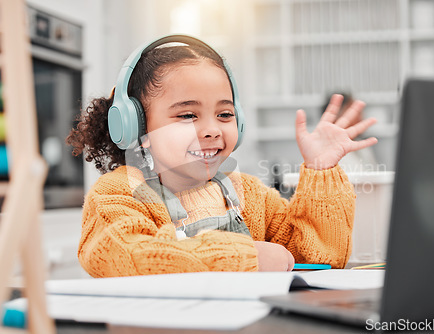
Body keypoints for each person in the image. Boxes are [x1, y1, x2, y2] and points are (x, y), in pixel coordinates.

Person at [66, 35, 377, 277]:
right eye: (188, 115)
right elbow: (133, 257)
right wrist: (244, 256)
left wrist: (321, 170)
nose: (212, 129)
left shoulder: (251, 196)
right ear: (136, 127)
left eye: (225, 114)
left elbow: (319, 257)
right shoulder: (117, 195)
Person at [321, 92, 378, 173]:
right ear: (335, 118)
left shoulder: (363, 148)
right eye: (354, 112)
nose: (360, 117)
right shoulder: (324, 154)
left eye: (360, 112)